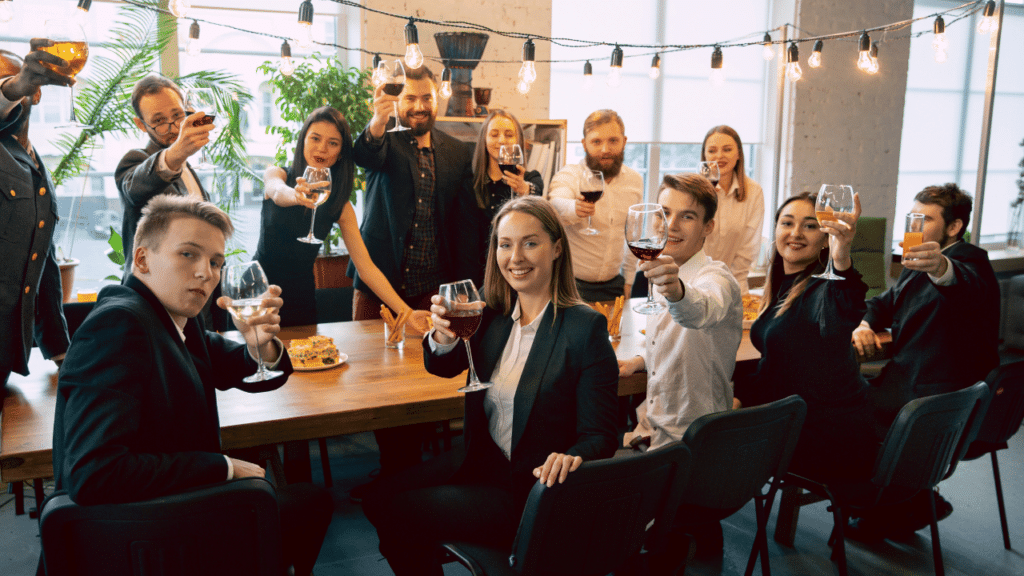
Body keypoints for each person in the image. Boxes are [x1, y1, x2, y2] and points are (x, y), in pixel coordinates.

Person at [50, 196, 331, 576]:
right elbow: (94, 474)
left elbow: (236, 367)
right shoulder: (119, 326)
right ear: (143, 259)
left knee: (304, 501)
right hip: (141, 538)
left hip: (170, 512)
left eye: (216, 262)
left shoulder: (172, 317)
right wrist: (222, 468)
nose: (207, 274)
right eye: (188, 255)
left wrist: (259, 346)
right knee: (309, 501)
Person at [364, 196, 619, 576]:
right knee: (375, 496)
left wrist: (571, 456)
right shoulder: (491, 311)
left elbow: (601, 434)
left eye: (530, 243)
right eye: (505, 244)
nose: (515, 257)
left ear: (557, 249)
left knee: (396, 513)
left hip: (528, 489)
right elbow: (444, 365)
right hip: (479, 461)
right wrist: (441, 335)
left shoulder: (584, 328)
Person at [850, 183, 1000, 537]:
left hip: (935, 401)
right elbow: (883, 302)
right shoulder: (917, 262)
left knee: (838, 410)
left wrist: (942, 267)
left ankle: (887, 500)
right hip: (909, 385)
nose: (912, 225)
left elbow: (961, 284)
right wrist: (864, 322)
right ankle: (909, 499)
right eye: (911, 217)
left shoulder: (970, 263)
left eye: (925, 219)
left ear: (954, 227)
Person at [350, 64, 476, 484]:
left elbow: (461, 223)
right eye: (409, 98)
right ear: (398, 102)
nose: (419, 106)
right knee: (376, 382)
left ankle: (411, 472)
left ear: (436, 99)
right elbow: (365, 152)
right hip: (377, 286)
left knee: (426, 378)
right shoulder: (388, 143)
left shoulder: (458, 151)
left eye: (425, 98)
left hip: (431, 290)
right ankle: (392, 468)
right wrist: (378, 120)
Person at [733, 192, 883, 485]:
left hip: (827, 438)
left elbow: (847, 302)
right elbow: (777, 369)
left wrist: (842, 256)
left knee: (705, 444)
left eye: (810, 226)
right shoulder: (782, 285)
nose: (796, 233)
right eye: (787, 223)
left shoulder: (824, 289)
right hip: (803, 419)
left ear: (826, 237)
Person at [257, 106, 429, 330]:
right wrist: (296, 195)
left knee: (303, 361)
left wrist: (407, 312)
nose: (322, 148)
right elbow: (277, 192)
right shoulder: (277, 174)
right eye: (315, 138)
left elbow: (366, 268)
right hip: (259, 293)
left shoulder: (339, 205)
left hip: (302, 300)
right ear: (303, 141)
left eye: (333, 143)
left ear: (340, 153)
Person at [619, 174, 742, 451]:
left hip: (694, 444)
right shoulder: (662, 269)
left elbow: (699, 312)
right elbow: (678, 341)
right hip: (655, 430)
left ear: (707, 227)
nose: (671, 225)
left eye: (687, 216)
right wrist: (642, 360)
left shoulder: (717, 278)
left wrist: (676, 291)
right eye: (664, 213)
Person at [0, 44, 71, 391]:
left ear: (38, 93)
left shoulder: (33, 162)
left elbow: (43, 264)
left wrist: (61, 353)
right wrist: (12, 87)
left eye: (5, 77)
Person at [548, 109, 643, 302]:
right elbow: (555, 205)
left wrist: (629, 280)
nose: (605, 149)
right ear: (584, 144)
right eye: (596, 142)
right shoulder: (569, 175)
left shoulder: (635, 181)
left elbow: (635, 234)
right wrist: (574, 208)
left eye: (613, 141)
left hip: (615, 284)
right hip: (571, 286)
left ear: (624, 141)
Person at [466, 109, 544, 284]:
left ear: (518, 141)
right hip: (479, 278)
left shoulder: (530, 178)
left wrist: (525, 191)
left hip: (518, 276)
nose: (501, 140)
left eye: (509, 135)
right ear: (484, 140)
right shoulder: (469, 184)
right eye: (494, 134)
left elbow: (536, 191)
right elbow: (465, 246)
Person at [700, 125, 765, 295]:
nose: (719, 156)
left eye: (727, 149)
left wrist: (729, 284)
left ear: (738, 154)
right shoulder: (693, 190)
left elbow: (749, 247)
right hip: (696, 282)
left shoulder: (754, 191)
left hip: (735, 284)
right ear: (705, 156)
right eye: (712, 150)